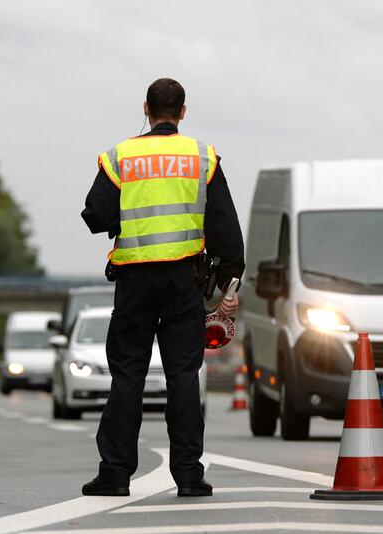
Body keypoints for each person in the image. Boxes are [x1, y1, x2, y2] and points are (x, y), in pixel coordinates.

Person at [79, 78, 245, 497]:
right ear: (183, 111)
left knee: (128, 376)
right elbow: (225, 227)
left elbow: (94, 214)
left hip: (135, 281)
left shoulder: (122, 156)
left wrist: (125, 217)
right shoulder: (201, 157)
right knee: (183, 377)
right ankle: (189, 474)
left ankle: (115, 475)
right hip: (183, 282)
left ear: (146, 110)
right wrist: (226, 284)